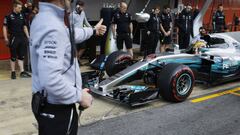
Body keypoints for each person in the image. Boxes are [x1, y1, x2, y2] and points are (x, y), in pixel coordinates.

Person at [30, 0, 106, 134]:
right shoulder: (52, 26)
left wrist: (93, 30)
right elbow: (51, 80)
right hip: (58, 109)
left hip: (47, 104)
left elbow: (69, 34)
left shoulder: (43, 18)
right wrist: (80, 96)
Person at [3, 0, 31, 79]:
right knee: (13, 56)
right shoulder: (8, 16)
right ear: (14, 7)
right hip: (13, 38)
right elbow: (4, 27)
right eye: (19, 8)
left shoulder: (22, 15)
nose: (20, 9)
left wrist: (28, 36)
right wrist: (5, 38)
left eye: (21, 8)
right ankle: (13, 72)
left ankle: (22, 72)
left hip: (22, 37)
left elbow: (24, 26)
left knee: (21, 56)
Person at [69, 0, 92, 65]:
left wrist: (92, 28)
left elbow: (85, 22)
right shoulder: (72, 15)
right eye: (81, 6)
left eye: (83, 7)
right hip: (75, 35)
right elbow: (70, 25)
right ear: (77, 6)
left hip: (82, 33)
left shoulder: (83, 13)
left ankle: (77, 59)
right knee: (75, 49)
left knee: (83, 48)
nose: (82, 8)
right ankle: (77, 62)